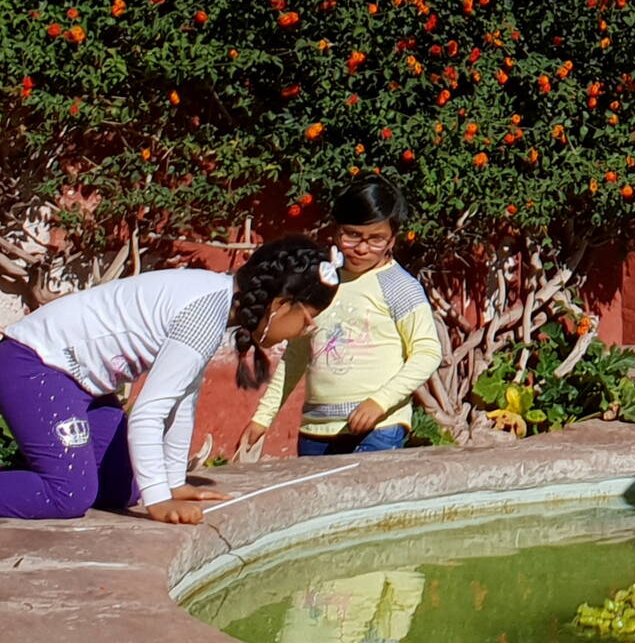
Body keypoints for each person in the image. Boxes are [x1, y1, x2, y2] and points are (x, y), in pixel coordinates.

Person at [0, 234, 332, 522]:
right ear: (281, 304)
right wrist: (159, 500)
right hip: (36, 365)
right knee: (68, 494)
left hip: (82, 382)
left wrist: (173, 483)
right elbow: (149, 411)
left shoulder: (215, 303)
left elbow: (183, 401)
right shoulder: (205, 311)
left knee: (121, 488)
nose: (308, 330)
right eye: (308, 318)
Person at [239, 174, 443, 459]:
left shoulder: (399, 286)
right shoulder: (321, 281)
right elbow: (297, 353)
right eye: (353, 235)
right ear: (335, 232)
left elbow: (427, 352)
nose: (362, 248)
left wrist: (379, 403)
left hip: (379, 429)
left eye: (376, 239)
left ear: (392, 239)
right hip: (316, 430)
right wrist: (264, 416)